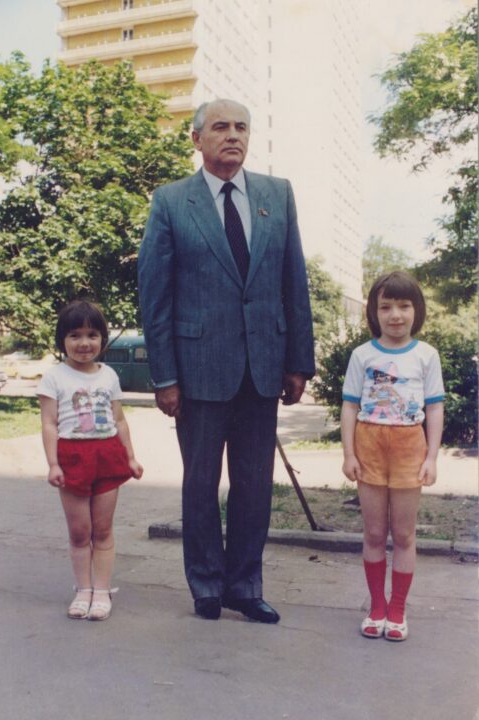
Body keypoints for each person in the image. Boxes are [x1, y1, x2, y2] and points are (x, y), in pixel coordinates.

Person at [138, 99, 315, 623]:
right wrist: (164, 376)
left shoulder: (276, 194)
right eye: (220, 127)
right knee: (199, 485)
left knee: (255, 485)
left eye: (241, 127)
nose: (232, 135)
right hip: (197, 372)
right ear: (197, 139)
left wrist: (298, 361)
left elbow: (294, 284)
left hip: (263, 367)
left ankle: (245, 585)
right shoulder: (171, 202)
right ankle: (207, 588)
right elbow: (156, 295)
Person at [341, 271, 444, 641]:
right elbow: (350, 407)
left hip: (408, 449)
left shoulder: (426, 356)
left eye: (404, 305)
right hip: (369, 446)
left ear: (417, 310)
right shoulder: (362, 355)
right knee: (372, 532)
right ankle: (376, 607)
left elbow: (434, 410)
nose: (395, 314)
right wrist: (349, 453)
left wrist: (431, 457)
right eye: (386, 306)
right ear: (374, 311)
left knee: (403, 533)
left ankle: (397, 610)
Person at [37, 300, 143, 621]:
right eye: (74, 335)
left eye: (92, 334)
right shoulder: (54, 377)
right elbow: (49, 424)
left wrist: (131, 457)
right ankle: (83, 590)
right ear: (62, 340)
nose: (84, 343)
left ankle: (102, 590)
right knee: (80, 532)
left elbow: (120, 420)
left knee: (103, 529)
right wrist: (54, 463)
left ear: (102, 338)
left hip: (108, 455)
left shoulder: (109, 375)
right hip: (72, 457)